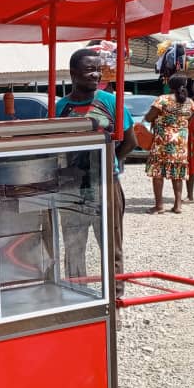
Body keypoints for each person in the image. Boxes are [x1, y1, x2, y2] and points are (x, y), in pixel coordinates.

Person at [56, 48, 136, 296]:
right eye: (89, 69)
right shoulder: (61, 107)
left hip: (105, 184)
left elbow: (130, 140)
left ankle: (114, 298)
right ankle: (77, 295)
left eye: (98, 70)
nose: (95, 75)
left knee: (110, 243)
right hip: (71, 187)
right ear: (73, 74)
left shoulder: (110, 102)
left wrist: (111, 162)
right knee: (74, 245)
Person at [144, 74, 194, 214]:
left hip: (162, 142)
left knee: (158, 172)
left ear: (169, 85)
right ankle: (177, 205)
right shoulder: (190, 102)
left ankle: (159, 206)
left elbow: (149, 117)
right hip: (180, 144)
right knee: (178, 173)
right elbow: (190, 119)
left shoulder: (163, 99)